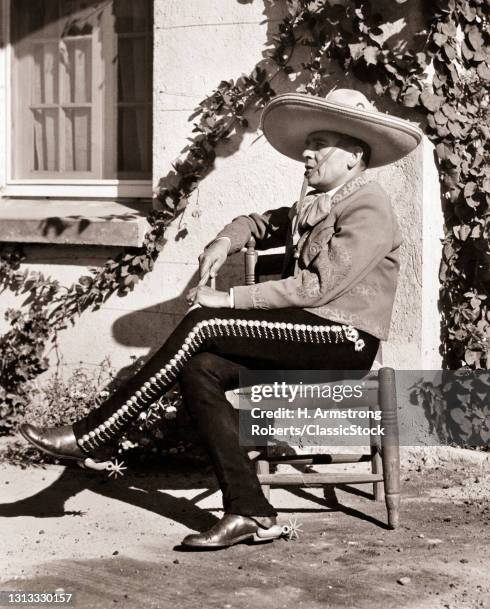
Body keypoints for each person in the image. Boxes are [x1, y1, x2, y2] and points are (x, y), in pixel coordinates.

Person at [20, 88, 422, 549]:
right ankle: (250, 510)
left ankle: (98, 434)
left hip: (342, 340)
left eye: (320, 143)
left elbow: (318, 288)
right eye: (308, 143)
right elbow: (257, 223)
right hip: (305, 332)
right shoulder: (315, 204)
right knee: (199, 367)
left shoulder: (369, 207)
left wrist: (229, 299)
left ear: (353, 155)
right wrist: (222, 243)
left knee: (203, 323)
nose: (307, 154)